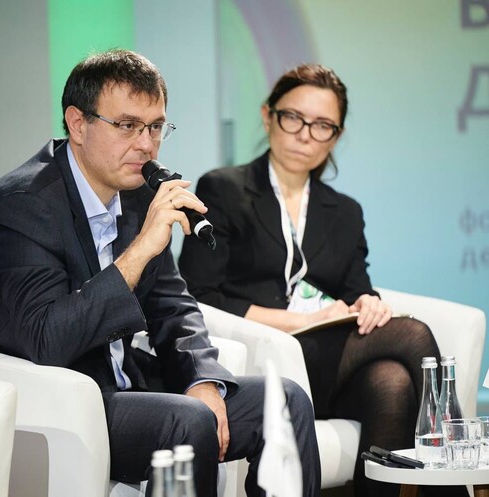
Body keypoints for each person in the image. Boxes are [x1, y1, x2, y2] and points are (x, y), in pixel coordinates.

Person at [0, 49, 321, 497]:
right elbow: (47, 340)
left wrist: (202, 380)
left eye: (155, 127)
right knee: (188, 421)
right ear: (78, 124)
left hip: (118, 384)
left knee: (285, 401)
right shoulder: (19, 207)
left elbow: (173, 306)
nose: (146, 144)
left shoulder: (135, 191)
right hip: (50, 398)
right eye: (127, 125)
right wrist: (139, 252)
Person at [178, 63, 444, 497]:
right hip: (260, 358)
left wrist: (369, 303)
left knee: (391, 381)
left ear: (336, 136)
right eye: (293, 118)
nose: (305, 135)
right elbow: (199, 295)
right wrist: (299, 322)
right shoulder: (222, 190)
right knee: (413, 335)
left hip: (327, 367)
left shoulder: (345, 212)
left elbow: (356, 288)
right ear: (268, 116)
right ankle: (454, 475)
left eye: (322, 126)